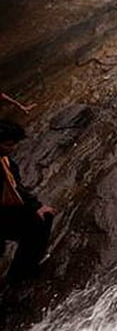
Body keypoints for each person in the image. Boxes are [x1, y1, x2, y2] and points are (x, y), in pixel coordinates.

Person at [0, 120, 56, 282]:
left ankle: (21, 272)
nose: (12, 149)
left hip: (7, 209)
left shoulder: (7, 162)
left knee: (42, 219)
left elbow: (17, 187)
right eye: (7, 145)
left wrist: (36, 206)